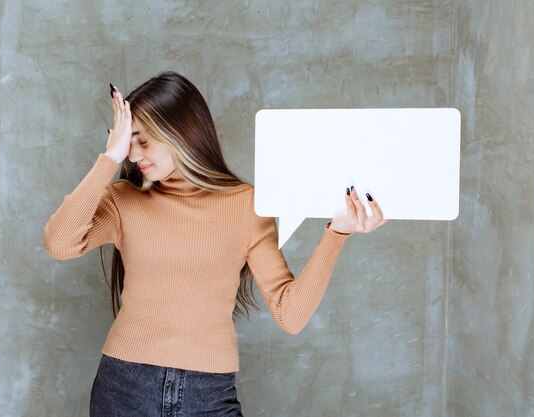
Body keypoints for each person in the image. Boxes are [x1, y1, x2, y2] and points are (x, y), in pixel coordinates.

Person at [44, 71, 387, 416]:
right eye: (128, 143)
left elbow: (291, 314)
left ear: (182, 134)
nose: (134, 156)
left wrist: (337, 233)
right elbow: (59, 243)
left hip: (208, 394)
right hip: (124, 387)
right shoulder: (123, 201)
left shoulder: (246, 204)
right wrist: (109, 158)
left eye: (143, 141)